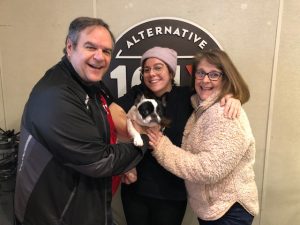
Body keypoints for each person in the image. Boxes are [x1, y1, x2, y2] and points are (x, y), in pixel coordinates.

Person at [14, 17, 149, 225]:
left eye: (106, 51)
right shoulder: (56, 96)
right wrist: (143, 140)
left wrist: (125, 159)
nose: (100, 57)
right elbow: (100, 161)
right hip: (55, 217)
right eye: (90, 47)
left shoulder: (90, 82)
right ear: (70, 47)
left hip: (85, 208)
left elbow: (113, 111)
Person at [109, 46, 241, 225]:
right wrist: (141, 133)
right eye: (146, 70)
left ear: (171, 71)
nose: (151, 74)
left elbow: (213, 96)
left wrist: (232, 97)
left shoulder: (188, 97)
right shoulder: (137, 94)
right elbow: (113, 113)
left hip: (172, 192)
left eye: (158, 67)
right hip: (135, 189)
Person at [147, 49, 259, 225]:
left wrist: (162, 147)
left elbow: (207, 169)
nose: (205, 80)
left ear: (226, 78)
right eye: (201, 73)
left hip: (228, 211)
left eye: (214, 74)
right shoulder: (202, 109)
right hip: (214, 209)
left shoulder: (225, 114)